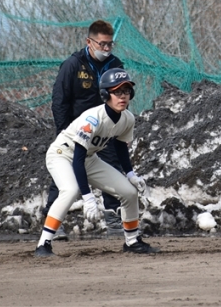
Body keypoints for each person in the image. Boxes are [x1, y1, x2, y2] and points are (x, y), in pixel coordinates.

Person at [35, 68, 159, 256]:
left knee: (129, 192)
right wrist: (88, 197)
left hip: (89, 158)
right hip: (62, 154)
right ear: (105, 95)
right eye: (117, 91)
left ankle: (132, 241)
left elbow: (120, 147)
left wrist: (131, 174)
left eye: (126, 91)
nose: (122, 96)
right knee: (70, 190)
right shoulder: (92, 119)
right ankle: (43, 244)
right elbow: (77, 158)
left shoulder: (127, 118)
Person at [46, 20, 125, 239]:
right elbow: (59, 101)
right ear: (89, 42)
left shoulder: (116, 64)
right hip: (76, 132)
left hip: (105, 131)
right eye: (102, 44)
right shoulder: (72, 65)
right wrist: (64, 132)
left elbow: (121, 97)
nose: (106, 49)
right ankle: (54, 222)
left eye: (110, 44)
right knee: (66, 174)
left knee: (113, 169)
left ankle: (113, 220)